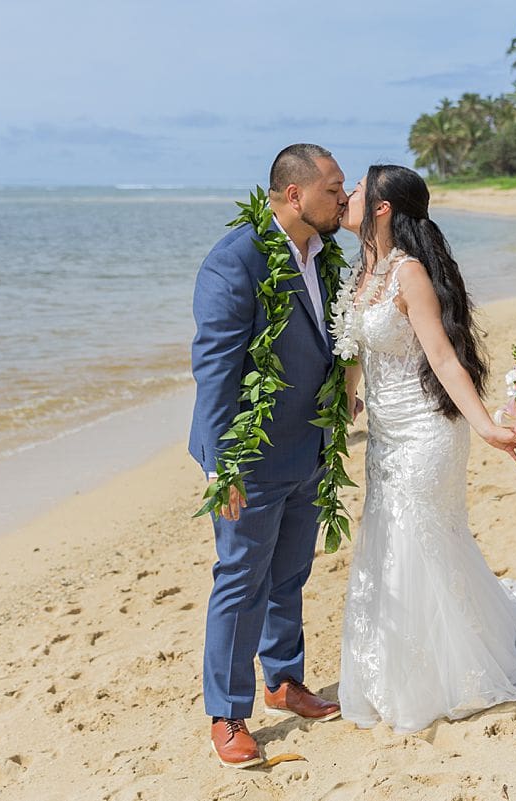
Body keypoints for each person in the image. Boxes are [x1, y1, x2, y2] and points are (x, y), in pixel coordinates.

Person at [333, 164, 516, 734]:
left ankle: (444, 674)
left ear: (382, 208)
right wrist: (349, 398)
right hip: (385, 437)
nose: (346, 196)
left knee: (418, 541)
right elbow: (356, 347)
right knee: (389, 542)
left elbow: (441, 356)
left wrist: (486, 427)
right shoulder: (362, 270)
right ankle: (403, 666)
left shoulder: (407, 273)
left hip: (427, 432)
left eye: (356, 190)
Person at [188, 144, 348, 768]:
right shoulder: (236, 260)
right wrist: (220, 465)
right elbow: (215, 366)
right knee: (240, 581)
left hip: (308, 445)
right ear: (295, 195)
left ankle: (283, 680)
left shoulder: (323, 253)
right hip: (249, 457)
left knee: (289, 574)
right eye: (333, 189)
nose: (343, 199)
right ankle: (227, 714)